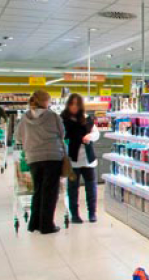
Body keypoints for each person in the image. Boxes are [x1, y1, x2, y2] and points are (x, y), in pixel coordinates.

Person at [15, 90, 65, 234]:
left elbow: (18, 137)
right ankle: (47, 225)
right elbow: (62, 133)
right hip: (52, 157)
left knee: (38, 190)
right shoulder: (53, 116)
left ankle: (34, 223)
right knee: (50, 192)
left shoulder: (25, 118)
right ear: (45, 101)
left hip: (33, 158)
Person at [61, 93, 100, 223]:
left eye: (77, 104)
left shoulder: (87, 118)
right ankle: (75, 215)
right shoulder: (63, 120)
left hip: (88, 160)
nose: (74, 107)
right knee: (73, 189)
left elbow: (96, 133)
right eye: (72, 104)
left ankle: (92, 213)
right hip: (72, 160)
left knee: (91, 188)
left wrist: (90, 137)